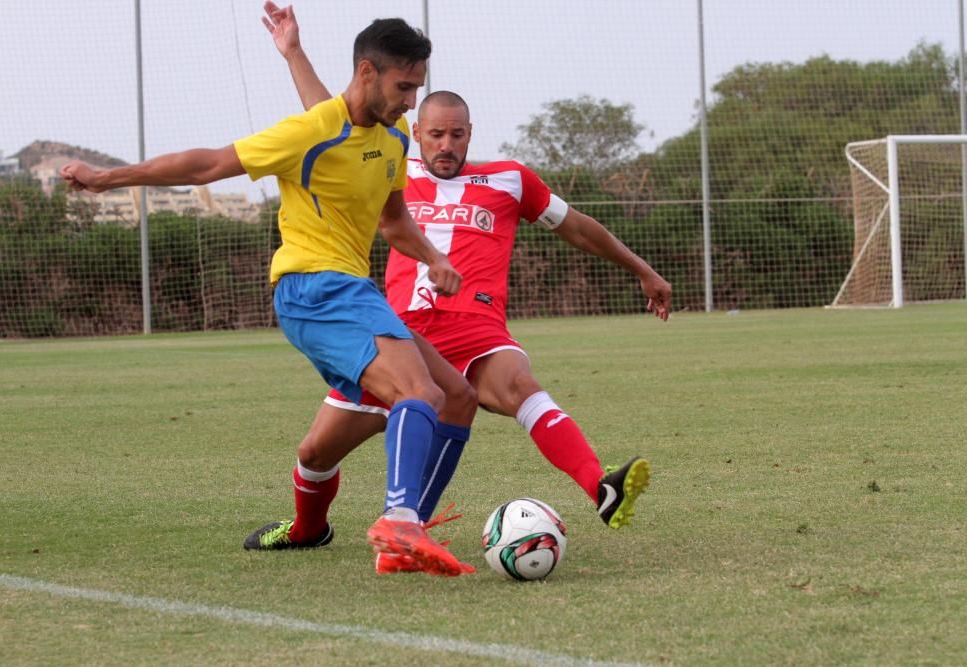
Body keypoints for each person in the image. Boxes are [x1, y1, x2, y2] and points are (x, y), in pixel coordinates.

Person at [254, 3, 673, 574]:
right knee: (314, 453)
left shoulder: (508, 178)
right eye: (435, 134)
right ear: (416, 132)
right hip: (393, 332)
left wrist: (642, 269)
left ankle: (598, 485)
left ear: (470, 133)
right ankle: (308, 530)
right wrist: (293, 52)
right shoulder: (391, 159)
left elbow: (577, 226)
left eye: (456, 135)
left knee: (518, 386)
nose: (446, 145)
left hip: (472, 329)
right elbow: (329, 117)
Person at [60, 16, 479, 577]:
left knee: (454, 396)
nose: (411, 101)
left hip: (351, 293)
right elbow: (208, 163)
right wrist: (107, 177)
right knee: (420, 392)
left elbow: (394, 221)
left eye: (417, 88)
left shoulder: (390, 140)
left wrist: (433, 258)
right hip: (313, 289)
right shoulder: (307, 132)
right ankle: (400, 524)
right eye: (404, 87)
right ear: (368, 73)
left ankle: (331, 529)